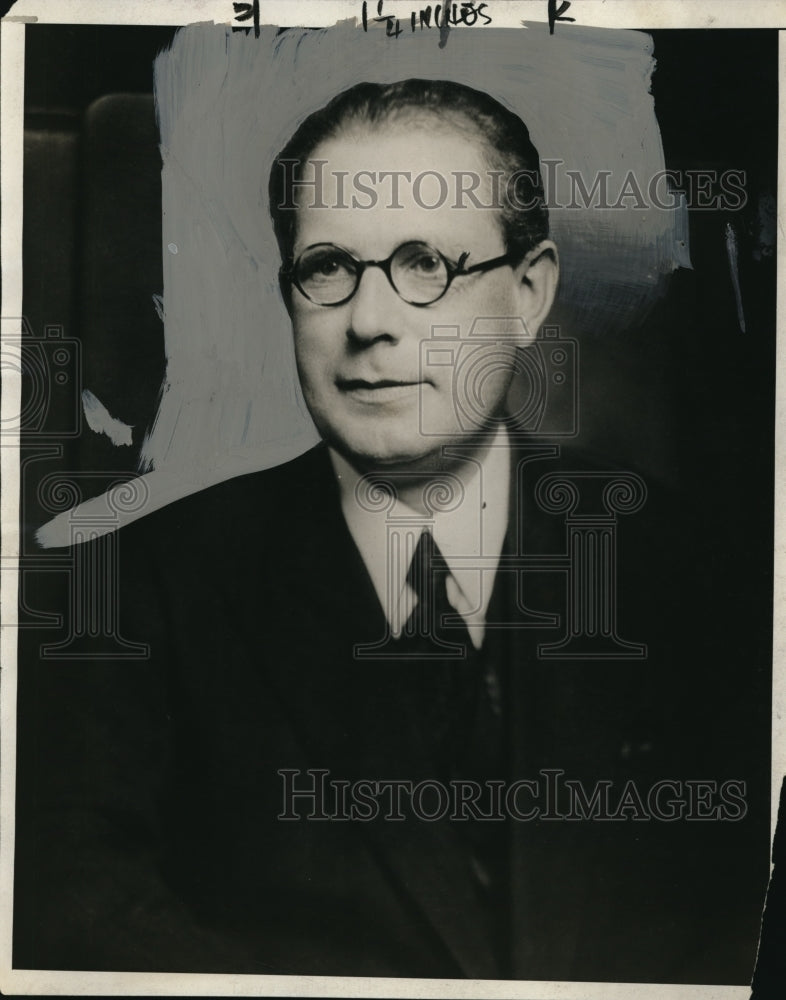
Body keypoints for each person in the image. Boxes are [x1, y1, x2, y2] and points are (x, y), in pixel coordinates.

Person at [13, 79, 767, 984]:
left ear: (529, 294)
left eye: (425, 265)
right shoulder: (134, 579)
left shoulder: (702, 571)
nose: (368, 323)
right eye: (327, 268)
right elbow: (73, 913)